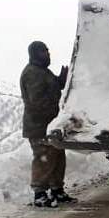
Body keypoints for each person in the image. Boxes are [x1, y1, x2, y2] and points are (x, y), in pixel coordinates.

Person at [20, 40, 71, 208]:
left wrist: (61, 80)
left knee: (57, 156)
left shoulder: (43, 71)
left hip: (50, 124)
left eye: (47, 51)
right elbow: (37, 101)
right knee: (43, 158)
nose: (47, 54)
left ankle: (57, 190)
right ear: (35, 54)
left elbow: (52, 88)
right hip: (38, 126)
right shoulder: (32, 73)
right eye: (43, 51)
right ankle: (40, 193)